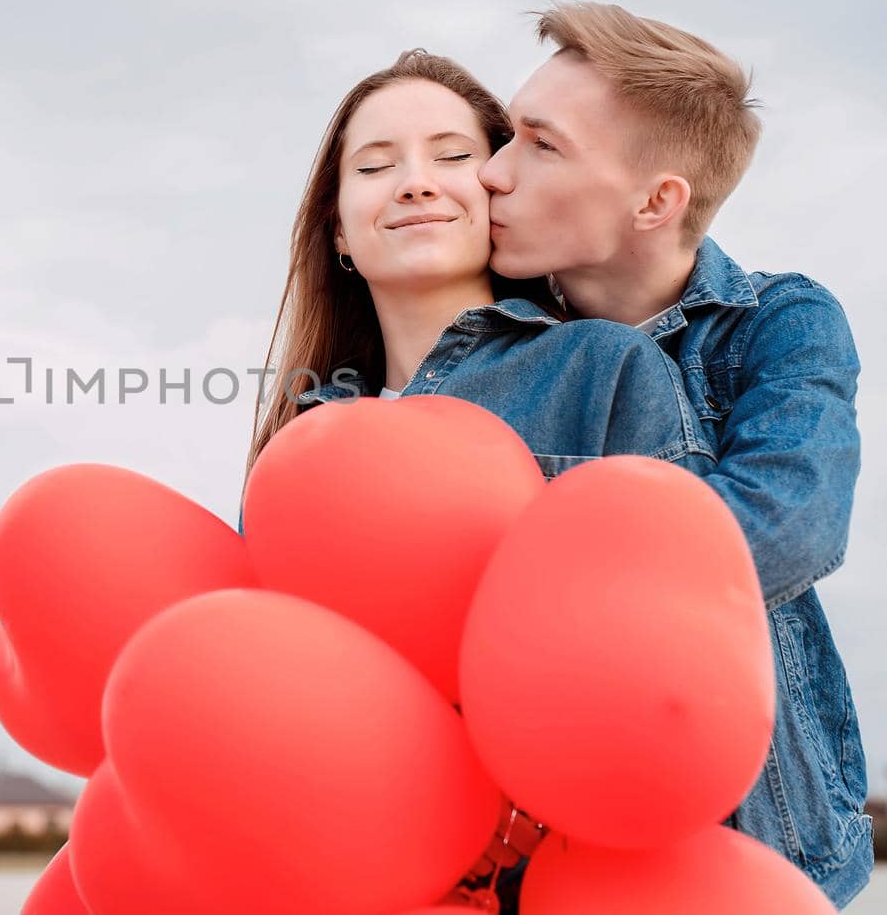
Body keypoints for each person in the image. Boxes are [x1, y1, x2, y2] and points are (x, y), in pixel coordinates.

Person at [236, 48, 715, 910]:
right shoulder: (299, 446)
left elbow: (679, 655)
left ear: (500, 198)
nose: (416, 183)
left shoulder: (603, 370)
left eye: (454, 157)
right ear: (339, 231)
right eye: (375, 166)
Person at [480, 1, 870, 908]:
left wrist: (540, 584)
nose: (494, 174)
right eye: (507, 134)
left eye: (542, 145)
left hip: (765, 849)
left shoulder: (780, 322)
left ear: (657, 202)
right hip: (535, 861)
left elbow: (791, 522)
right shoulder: (484, 336)